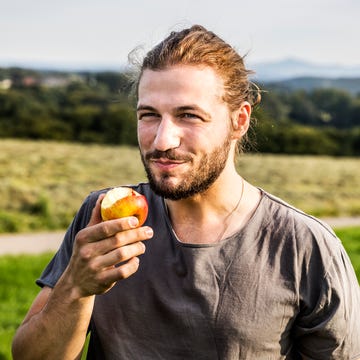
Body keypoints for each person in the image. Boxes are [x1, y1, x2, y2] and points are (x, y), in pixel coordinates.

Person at [12, 25, 360, 360]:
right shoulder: (101, 217)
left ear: (239, 121)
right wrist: (75, 287)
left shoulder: (307, 246)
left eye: (189, 115)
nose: (162, 140)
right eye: (149, 115)